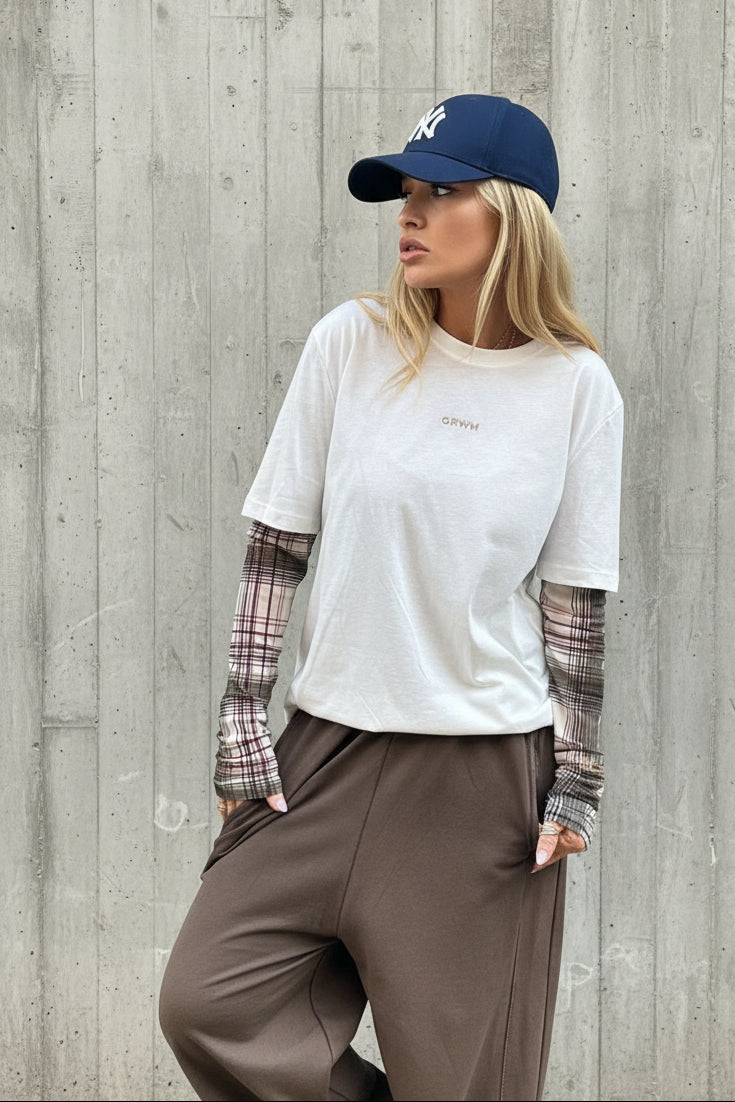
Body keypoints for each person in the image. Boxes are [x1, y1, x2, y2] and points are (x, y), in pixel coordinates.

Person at [159, 93, 624, 1102]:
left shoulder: (576, 387)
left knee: (458, 1078)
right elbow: (276, 548)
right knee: (210, 1004)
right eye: (406, 192)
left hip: (480, 775)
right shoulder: (352, 342)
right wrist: (241, 720)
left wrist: (577, 780)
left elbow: (574, 605)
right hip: (322, 752)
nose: (410, 213)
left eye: (442, 192)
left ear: (512, 215)